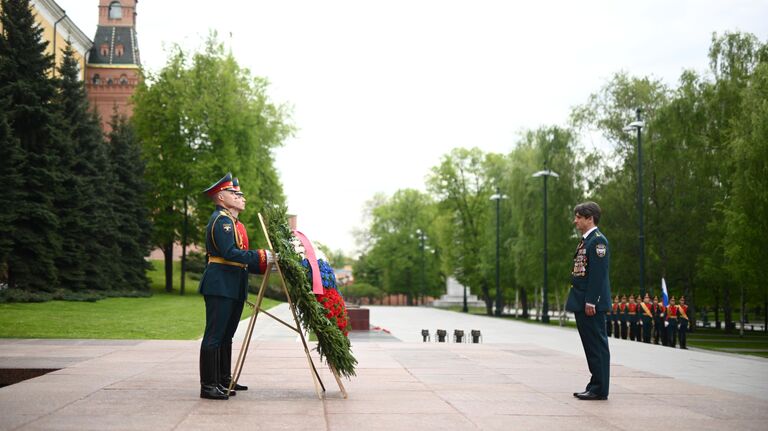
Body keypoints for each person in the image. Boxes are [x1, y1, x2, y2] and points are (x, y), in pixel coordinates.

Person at [198, 173, 273, 400]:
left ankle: (222, 379)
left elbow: (237, 259)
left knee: (226, 335)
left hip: (232, 284)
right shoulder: (221, 221)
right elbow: (230, 253)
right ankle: (208, 385)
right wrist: (262, 255)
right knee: (215, 335)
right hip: (220, 284)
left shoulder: (232, 223)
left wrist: (265, 264)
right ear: (221, 196)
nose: (240, 197)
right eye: (234, 193)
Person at [566, 201, 611, 401]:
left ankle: (600, 388)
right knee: (590, 346)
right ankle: (595, 384)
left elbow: (598, 275)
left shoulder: (598, 242)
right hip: (583, 301)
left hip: (591, 304)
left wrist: (591, 301)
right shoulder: (587, 241)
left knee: (597, 346)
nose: (575, 221)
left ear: (589, 218)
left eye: (578, 217)